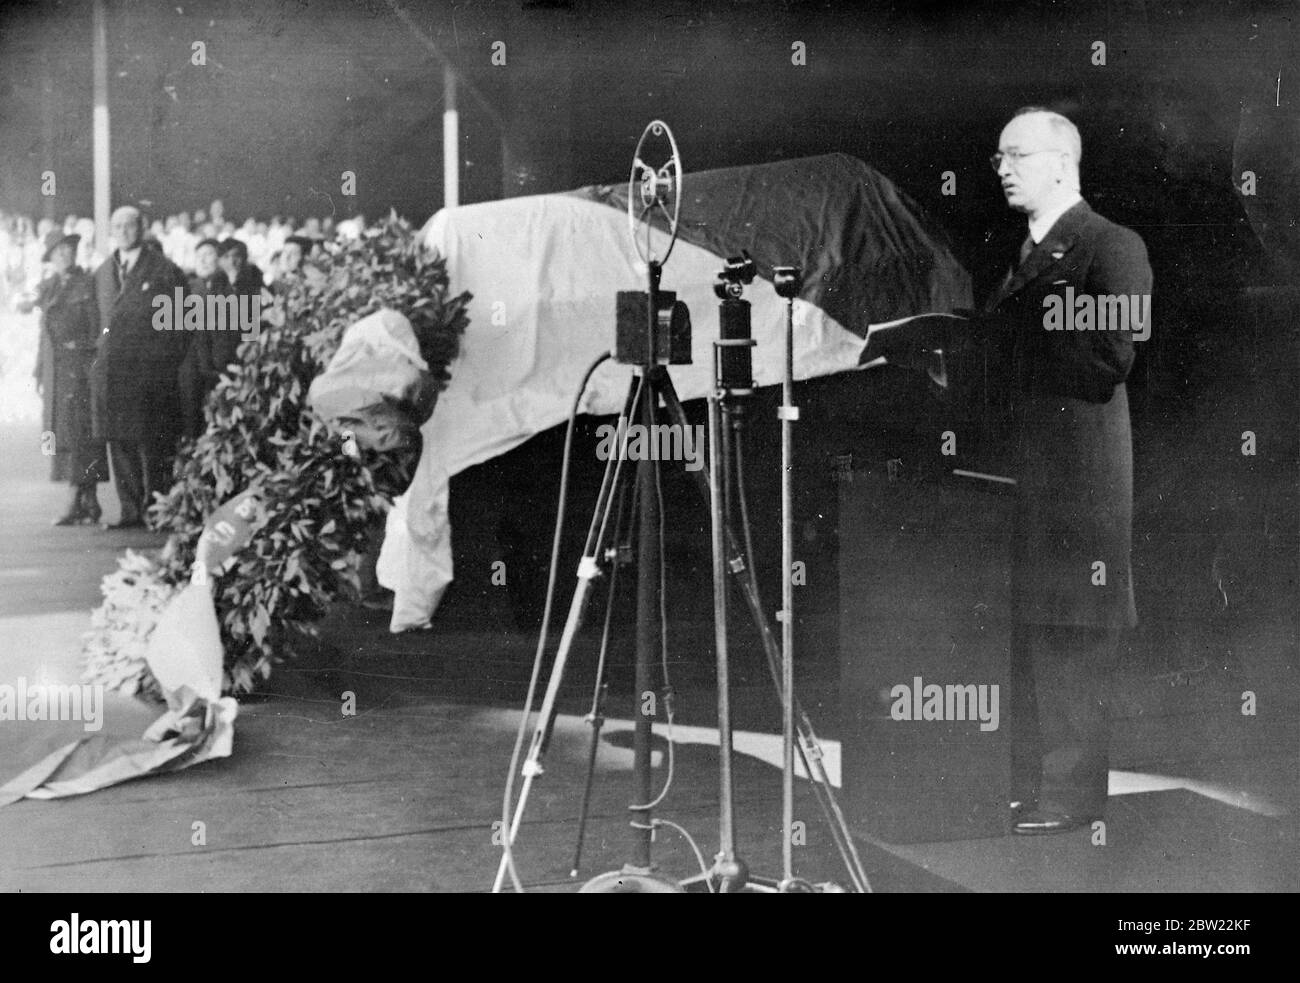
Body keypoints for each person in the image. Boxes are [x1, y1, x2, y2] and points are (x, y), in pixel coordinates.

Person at [976, 107, 1151, 834]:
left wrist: (1028, 330)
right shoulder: (1022, 251)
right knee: (1036, 632)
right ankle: (1038, 787)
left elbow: (1112, 355)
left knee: (1075, 634)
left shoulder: (1111, 245)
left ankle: (1072, 797)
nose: (1005, 168)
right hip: (1028, 477)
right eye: (998, 158)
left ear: (1060, 163)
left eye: (1016, 154)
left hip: (1081, 481)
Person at [90, 205, 189, 529]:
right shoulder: (104, 272)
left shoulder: (164, 270)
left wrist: (162, 365)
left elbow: (182, 324)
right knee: (119, 444)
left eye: (129, 225)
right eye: (116, 226)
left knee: (152, 445)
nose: (122, 231)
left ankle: (156, 510)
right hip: (112, 376)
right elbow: (95, 324)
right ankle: (130, 510)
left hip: (149, 377)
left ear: (142, 228)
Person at [19, 233, 108, 524]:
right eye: (58, 253)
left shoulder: (87, 283)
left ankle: (77, 499)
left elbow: (98, 328)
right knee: (64, 435)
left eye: (68, 251)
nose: (64, 256)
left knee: (82, 433)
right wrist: (38, 369)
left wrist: (86, 354)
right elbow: (44, 335)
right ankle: (89, 500)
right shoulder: (49, 288)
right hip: (56, 370)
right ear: (50, 259)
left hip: (80, 367)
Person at [176, 237, 238, 440]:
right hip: (191, 373)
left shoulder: (231, 292)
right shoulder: (186, 290)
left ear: (220, 260)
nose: (202, 261)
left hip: (219, 373)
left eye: (208, 255)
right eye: (199, 256)